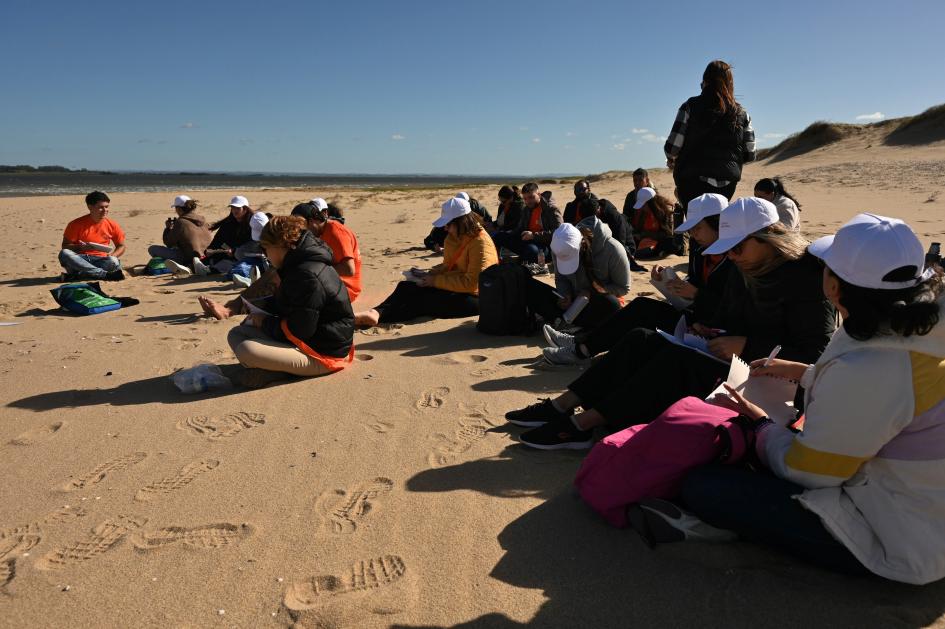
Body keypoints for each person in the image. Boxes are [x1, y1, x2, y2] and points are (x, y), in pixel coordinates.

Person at [658, 213, 945, 584]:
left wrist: (762, 427)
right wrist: (807, 374)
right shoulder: (915, 328)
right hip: (924, 501)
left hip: (905, 540)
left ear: (835, 287)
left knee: (705, 486)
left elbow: (810, 471)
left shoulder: (873, 367)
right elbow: (894, 400)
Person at [505, 196, 836, 450]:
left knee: (675, 360)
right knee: (642, 339)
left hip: (770, 380)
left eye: (737, 249)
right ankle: (562, 405)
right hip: (732, 358)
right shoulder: (746, 268)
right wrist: (710, 329)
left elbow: (815, 355)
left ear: (769, 238)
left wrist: (747, 345)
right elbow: (730, 315)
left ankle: (583, 425)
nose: (731, 256)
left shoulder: (805, 278)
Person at [543, 193, 733, 364]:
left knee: (638, 325)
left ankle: (580, 350)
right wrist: (669, 279)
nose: (693, 234)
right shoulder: (702, 250)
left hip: (710, 333)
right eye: (691, 229)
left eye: (698, 228)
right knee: (640, 307)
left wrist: (697, 294)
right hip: (693, 317)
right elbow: (698, 281)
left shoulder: (736, 258)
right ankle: (580, 345)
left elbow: (734, 307)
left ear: (718, 223)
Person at [226, 215, 354, 388]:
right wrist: (260, 309)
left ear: (281, 245)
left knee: (246, 350)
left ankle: (280, 371)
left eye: (265, 249)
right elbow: (293, 305)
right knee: (237, 334)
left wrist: (264, 322)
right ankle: (277, 368)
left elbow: (301, 330)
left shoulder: (306, 274)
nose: (266, 255)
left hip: (325, 354)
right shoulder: (297, 265)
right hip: (310, 341)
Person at [355, 196, 498, 326]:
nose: (446, 229)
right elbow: (449, 266)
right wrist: (428, 274)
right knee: (406, 286)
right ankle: (375, 312)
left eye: (448, 225)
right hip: (458, 287)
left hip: (477, 298)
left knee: (423, 301)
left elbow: (472, 283)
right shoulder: (454, 238)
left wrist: (434, 281)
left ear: (461, 222)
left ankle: (379, 318)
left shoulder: (480, 243)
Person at [665, 60, 755, 207]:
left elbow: (672, 148)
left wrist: (672, 160)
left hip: (692, 182)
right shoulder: (742, 114)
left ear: (705, 81)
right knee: (716, 227)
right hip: (727, 185)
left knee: (697, 227)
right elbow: (750, 154)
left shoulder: (690, 106)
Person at [524, 219, 631, 330]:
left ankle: (565, 322)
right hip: (573, 303)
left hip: (598, 301)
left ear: (582, 243)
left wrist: (593, 292)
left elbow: (623, 288)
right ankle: (565, 322)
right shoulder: (558, 246)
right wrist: (565, 294)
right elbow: (561, 278)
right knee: (532, 288)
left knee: (612, 304)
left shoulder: (612, 249)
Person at [292, 199, 362, 302]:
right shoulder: (317, 233)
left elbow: (349, 270)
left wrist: (316, 271)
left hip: (346, 288)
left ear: (312, 221)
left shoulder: (336, 232)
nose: (300, 232)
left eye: (302, 227)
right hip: (329, 283)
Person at [58, 190, 126, 281]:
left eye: (107, 207)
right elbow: (65, 246)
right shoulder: (75, 224)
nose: (105, 210)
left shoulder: (112, 224)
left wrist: (113, 255)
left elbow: (121, 246)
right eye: (101, 207)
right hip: (80, 261)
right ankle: (103, 275)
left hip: (102, 260)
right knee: (64, 253)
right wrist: (81, 248)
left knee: (113, 261)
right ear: (90, 207)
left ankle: (79, 276)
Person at [491, 182, 562, 264]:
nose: (528, 201)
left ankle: (524, 260)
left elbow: (559, 233)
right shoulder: (526, 209)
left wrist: (533, 235)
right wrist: (508, 234)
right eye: (525, 199)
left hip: (546, 246)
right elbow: (520, 229)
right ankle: (495, 262)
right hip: (527, 241)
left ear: (538, 194)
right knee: (499, 236)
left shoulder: (551, 209)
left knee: (531, 250)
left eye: (531, 197)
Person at [148, 195, 213, 275]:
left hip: (187, 257)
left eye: (176, 208)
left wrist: (168, 228)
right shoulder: (203, 219)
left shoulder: (181, 222)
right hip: (206, 256)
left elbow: (168, 243)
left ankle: (185, 266)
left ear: (179, 209)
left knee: (152, 249)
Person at [425, 192, 492, 252]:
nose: (446, 228)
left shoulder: (476, 210)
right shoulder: (446, 228)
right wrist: (434, 246)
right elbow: (428, 240)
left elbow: (488, 220)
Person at [629, 187, 676, 259]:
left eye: (644, 205)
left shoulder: (667, 210)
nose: (642, 208)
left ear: (651, 203)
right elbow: (638, 229)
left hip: (662, 242)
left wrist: (645, 234)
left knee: (669, 243)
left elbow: (668, 234)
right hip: (647, 242)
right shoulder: (643, 213)